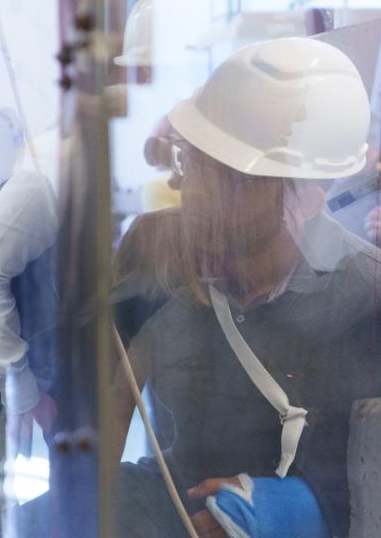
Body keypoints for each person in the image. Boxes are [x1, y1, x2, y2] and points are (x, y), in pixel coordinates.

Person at [111, 37, 381, 538]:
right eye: (187, 160)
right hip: (172, 507)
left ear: (288, 187)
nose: (184, 186)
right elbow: (98, 429)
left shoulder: (364, 296)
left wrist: (287, 510)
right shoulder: (161, 261)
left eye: (211, 170)